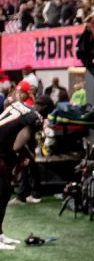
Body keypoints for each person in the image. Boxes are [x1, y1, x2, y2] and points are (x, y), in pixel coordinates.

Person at [0, 95, 42, 248]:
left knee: (4, 195)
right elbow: (17, 146)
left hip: (2, 152)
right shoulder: (32, 119)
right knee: (1, 194)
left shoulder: (21, 107)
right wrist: (30, 156)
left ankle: (0, 235)